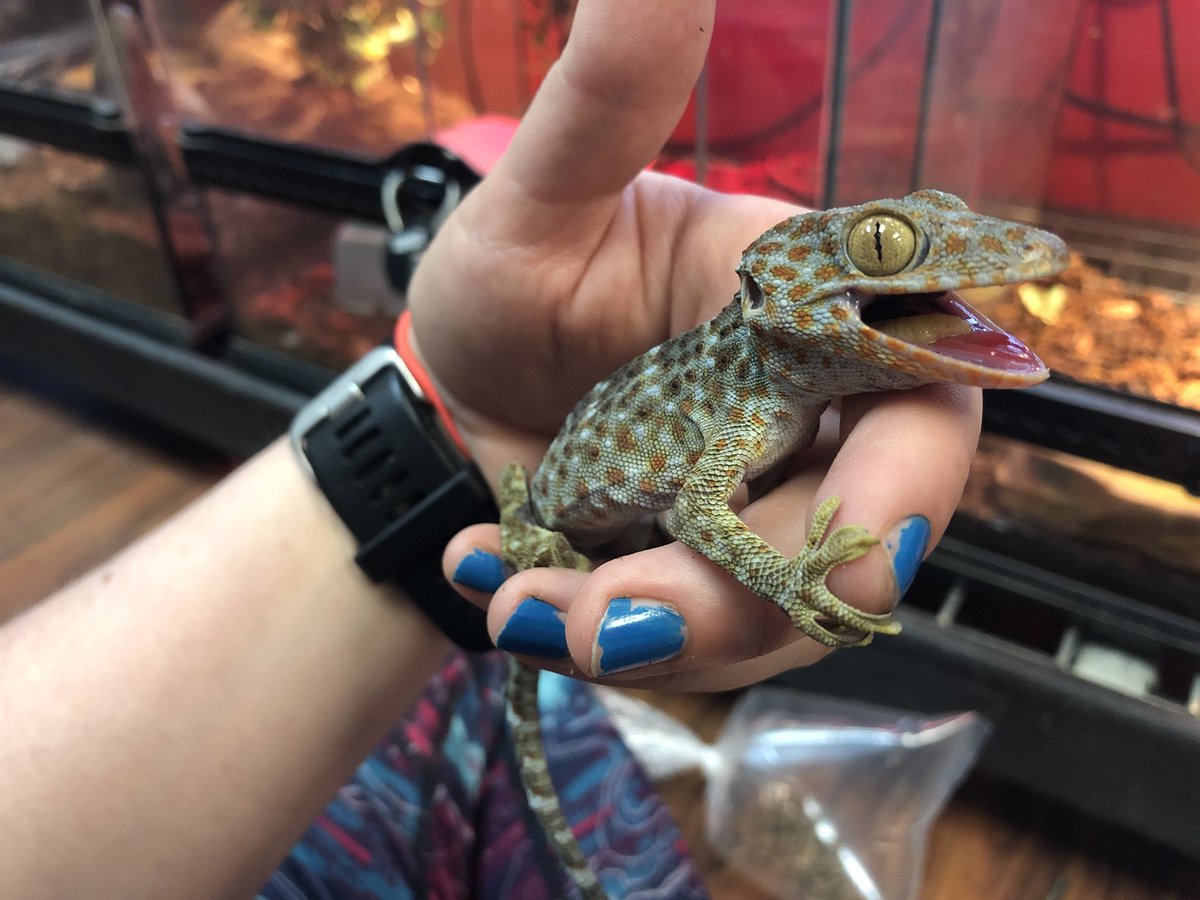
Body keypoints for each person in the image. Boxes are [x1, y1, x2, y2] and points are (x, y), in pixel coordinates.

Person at [0, 0, 983, 896]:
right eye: (886, 251)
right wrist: (789, 576)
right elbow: (694, 510)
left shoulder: (770, 394)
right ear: (780, 292)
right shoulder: (747, 403)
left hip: (536, 507)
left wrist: (439, 431)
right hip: (551, 520)